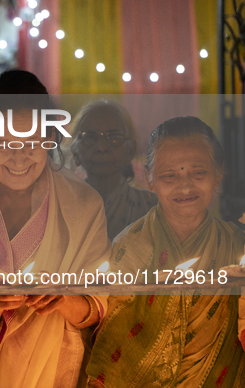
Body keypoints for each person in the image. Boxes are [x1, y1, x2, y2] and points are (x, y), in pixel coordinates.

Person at [0, 69, 110, 388]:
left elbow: (99, 307)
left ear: (50, 138)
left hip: (56, 373)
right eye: (5, 141)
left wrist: (63, 299)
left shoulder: (84, 205)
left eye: (33, 141)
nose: (19, 157)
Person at [86, 117, 245, 387]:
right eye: (169, 175)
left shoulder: (236, 244)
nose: (185, 186)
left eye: (198, 173)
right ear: (149, 178)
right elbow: (114, 339)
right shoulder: (131, 247)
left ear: (219, 173)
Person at [70, 100, 157, 240]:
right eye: (90, 137)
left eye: (114, 137)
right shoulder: (62, 207)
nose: (102, 147)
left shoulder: (153, 209)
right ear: (75, 152)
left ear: (131, 150)